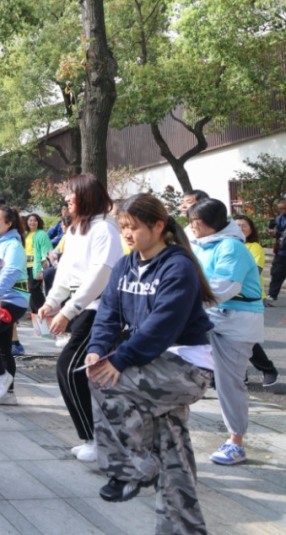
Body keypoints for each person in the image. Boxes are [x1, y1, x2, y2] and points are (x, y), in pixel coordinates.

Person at [84, 193, 215, 533]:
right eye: (123, 227)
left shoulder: (177, 266)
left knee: (105, 383)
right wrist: (97, 348)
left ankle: (129, 469)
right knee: (173, 451)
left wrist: (121, 359)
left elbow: (162, 325)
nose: (127, 234)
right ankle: (184, 529)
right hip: (151, 361)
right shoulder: (125, 265)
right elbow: (108, 313)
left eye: (134, 227)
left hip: (185, 366)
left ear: (158, 226)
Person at [37, 174, 123, 463]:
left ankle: (96, 438)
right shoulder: (76, 229)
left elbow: (100, 274)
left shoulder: (104, 228)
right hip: (82, 307)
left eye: (71, 194)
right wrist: (52, 302)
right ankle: (94, 437)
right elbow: (64, 273)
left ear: (86, 196)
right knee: (81, 372)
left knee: (70, 367)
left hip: (100, 308)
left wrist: (68, 311)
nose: (66, 200)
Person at [189, 198, 264, 465]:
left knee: (229, 382)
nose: (191, 226)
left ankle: (236, 442)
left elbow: (222, 289)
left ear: (211, 223)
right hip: (207, 316)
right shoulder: (200, 243)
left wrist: (181, 305)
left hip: (234, 322)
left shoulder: (231, 247)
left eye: (195, 221)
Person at [0, 205, 30, 405]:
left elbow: (9, 275)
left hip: (12, 300)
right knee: (3, 347)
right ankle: (8, 394)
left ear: (9, 223)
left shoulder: (13, 246)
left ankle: (0, 376)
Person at [236, 214, 278, 386]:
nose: (240, 228)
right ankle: (240, 374)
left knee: (246, 339)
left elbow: (253, 272)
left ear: (251, 230)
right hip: (227, 298)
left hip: (251, 299)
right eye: (236, 225)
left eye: (244, 225)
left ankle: (268, 369)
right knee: (229, 339)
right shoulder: (224, 246)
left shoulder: (254, 247)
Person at [11, 212, 52, 357]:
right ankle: (38, 319)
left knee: (35, 291)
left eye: (34, 220)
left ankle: (42, 317)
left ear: (38, 222)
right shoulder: (25, 234)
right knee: (29, 292)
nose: (32, 223)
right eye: (30, 220)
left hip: (36, 267)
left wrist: (44, 264)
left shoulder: (41, 234)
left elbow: (46, 251)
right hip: (24, 267)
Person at [268, 198, 286, 304]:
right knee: (276, 274)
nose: (283, 211)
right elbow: (278, 232)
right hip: (282, 251)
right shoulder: (279, 218)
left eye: (285, 208)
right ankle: (272, 295)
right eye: (281, 209)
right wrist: (272, 233)